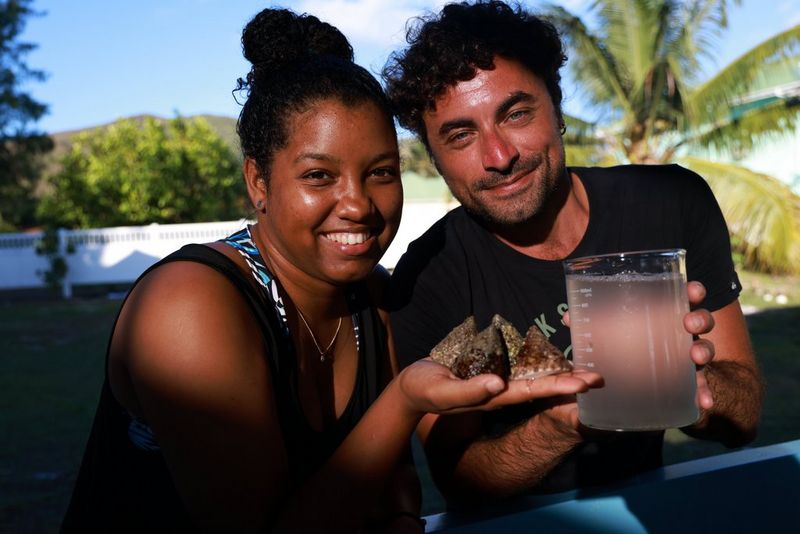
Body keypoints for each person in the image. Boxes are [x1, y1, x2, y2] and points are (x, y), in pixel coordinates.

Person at [60, 7, 602, 533]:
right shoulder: (189, 305)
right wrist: (404, 401)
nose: (358, 204)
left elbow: (395, 477)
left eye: (381, 173)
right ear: (258, 181)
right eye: (319, 176)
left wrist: (400, 515)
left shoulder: (377, 301)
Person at [383, 0, 763, 504]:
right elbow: (460, 479)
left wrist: (689, 381)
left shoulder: (671, 203)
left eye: (516, 113)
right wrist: (564, 425)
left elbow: (745, 418)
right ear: (434, 160)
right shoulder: (427, 276)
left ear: (557, 109)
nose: (499, 157)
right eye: (460, 135)